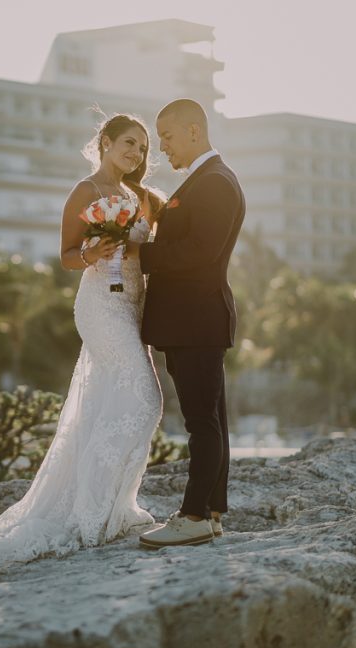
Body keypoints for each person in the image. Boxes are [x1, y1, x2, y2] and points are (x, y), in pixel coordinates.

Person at [0, 113, 165, 574]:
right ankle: (90, 512)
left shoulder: (140, 197)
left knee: (105, 402)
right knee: (145, 397)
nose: (136, 154)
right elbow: (65, 256)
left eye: (143, 148)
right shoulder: (85, 191)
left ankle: (118, 505)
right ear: (106, 142)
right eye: (129, 144)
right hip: (99, 306)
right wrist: (92, 253)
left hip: (133, 305)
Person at [132, 99, 245, 549]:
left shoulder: (215, 182)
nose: (161, 147)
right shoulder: (203, 180)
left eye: (168, 136)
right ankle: (212, 511)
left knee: (202, 422)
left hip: (197, 319)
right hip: (190, 321)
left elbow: (200, 252)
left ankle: (194, 514)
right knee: (211, 420)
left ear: (195, 131)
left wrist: (140, 254)